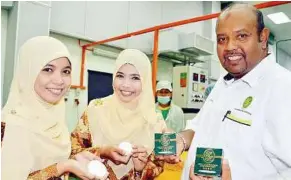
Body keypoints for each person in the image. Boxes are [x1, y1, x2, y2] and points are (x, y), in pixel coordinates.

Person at [159, 3, 291, 180]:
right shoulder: (225, 83)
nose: (229, 47)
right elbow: (199, 127)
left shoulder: (282, 88)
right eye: (222, 39)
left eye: (242, 36)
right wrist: (181, 140)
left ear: (263, 37)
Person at [1, 36, 98, 180]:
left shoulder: (55, 119)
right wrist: (64, 166)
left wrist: (75, 157)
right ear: (29, 72)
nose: (59, 81)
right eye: (47, 69)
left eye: (66, 71)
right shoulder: (13, 125)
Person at [70, 49, 167, 180]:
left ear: (145, 81)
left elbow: (160, 165)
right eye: (120, 76)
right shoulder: (96, 109)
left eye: (135, 78)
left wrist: (141, 169)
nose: (126, 85)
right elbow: (72, 151)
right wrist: (102, 152)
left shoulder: (155, 119)